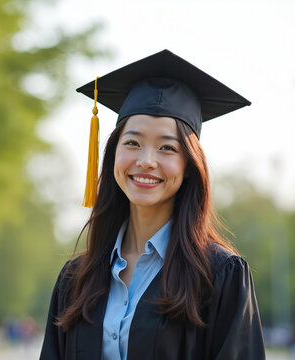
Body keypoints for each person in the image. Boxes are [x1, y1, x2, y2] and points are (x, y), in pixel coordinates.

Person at [40, 50, 265, 360]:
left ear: (189, 165)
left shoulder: (218, 276)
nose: (146, 161)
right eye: (132, 143)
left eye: (167, 148)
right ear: (113, 154)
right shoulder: (77, 279)